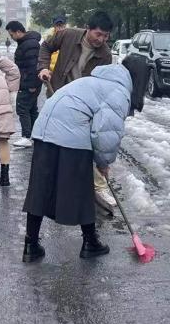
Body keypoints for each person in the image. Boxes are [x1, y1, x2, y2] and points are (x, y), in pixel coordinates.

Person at [21, 55, 149, 263]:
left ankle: (31, 245)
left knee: (40, 189)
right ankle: (90, 242)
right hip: (70, 132)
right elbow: (105, 133)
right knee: (83, 190)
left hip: (44, 130)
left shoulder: (98, 80)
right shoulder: (118, 90)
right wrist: (103, 163)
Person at [37, 11, 116, 213]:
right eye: (98, 34)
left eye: (106, 36)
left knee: (87, 143)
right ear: (88, 28)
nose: (101, 39)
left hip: (83, 105)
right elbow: (46, 46)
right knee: (56, 141)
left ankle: (99, 186)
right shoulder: (68, 35)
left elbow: (102, 85)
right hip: (58, 97)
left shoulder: (105, 55)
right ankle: (55, 184)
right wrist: (43, 67)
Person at [0, 39, 21, 187]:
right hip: (1, 102)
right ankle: (5, 177)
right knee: (2, 140)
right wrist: (7, 89)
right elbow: (13, 70)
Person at [6, 20, 41, 148]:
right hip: (29, 82)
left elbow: (33, 65)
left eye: (12, 35)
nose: (11, 37)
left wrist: (32, 84)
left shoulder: (29, 44)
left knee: (22, 108)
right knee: (31, 109)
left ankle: (26, 136)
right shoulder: (27, 42)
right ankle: (35, 135)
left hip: (29, 83)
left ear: (18, 32)